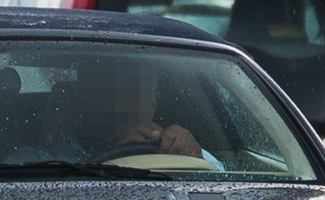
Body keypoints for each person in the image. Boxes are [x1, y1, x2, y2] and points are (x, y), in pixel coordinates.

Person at [46, 59, 211, 163]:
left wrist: (190, 159)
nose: (119, 105)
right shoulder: (42, 164)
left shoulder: (180, 150)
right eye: (106, 92)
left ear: (154, 103)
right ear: (83, 98)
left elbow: (221, 180)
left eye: (135, 94)